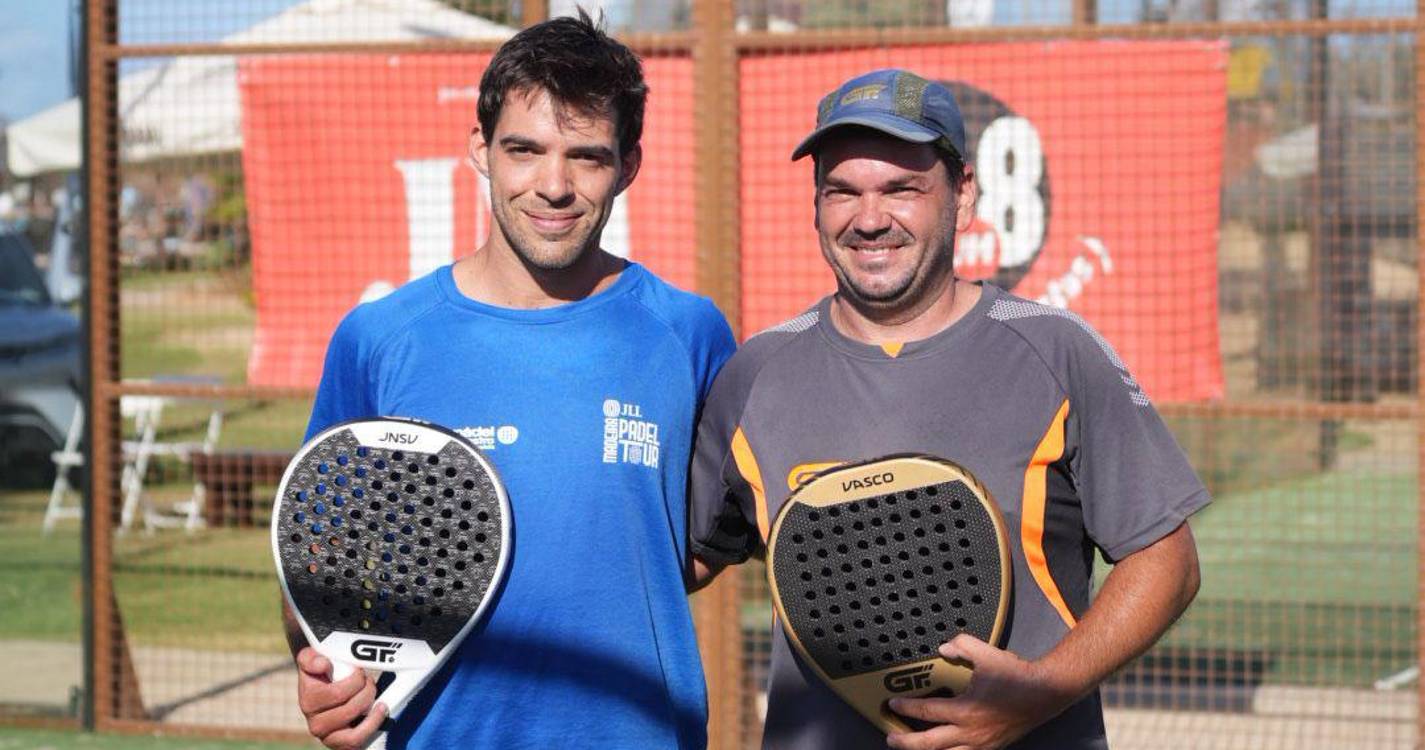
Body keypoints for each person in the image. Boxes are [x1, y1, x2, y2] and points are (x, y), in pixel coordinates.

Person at [688, 68, 1207, 750]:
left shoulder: (1054, 350)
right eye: (841, 191)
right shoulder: (753, 374)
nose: (868, 219)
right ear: (815, 205)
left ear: (962, 195)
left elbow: (1166, 561)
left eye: (901, 189)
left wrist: (1040, 692)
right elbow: (676, 559)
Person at [286, 13, 735, 750]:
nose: (552, 186)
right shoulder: (378, 338)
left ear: (628, 165)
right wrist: (324, 676)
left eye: (586, 157)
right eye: (523, 150)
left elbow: (705, 538)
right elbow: (314, 551)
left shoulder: (687, 333)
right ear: (479, 150)